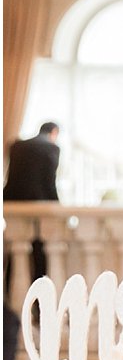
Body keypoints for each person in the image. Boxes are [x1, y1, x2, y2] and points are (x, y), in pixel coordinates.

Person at [4, 121, 62, 285]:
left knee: (12, 253)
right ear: (54, 132)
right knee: (38, 252)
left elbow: (11, 178)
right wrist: (57, 206)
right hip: (38, 205)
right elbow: (49, 182)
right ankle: (38, 297)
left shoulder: (17, 146)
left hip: (12, 203)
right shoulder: (52, 148)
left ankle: (7, 293)